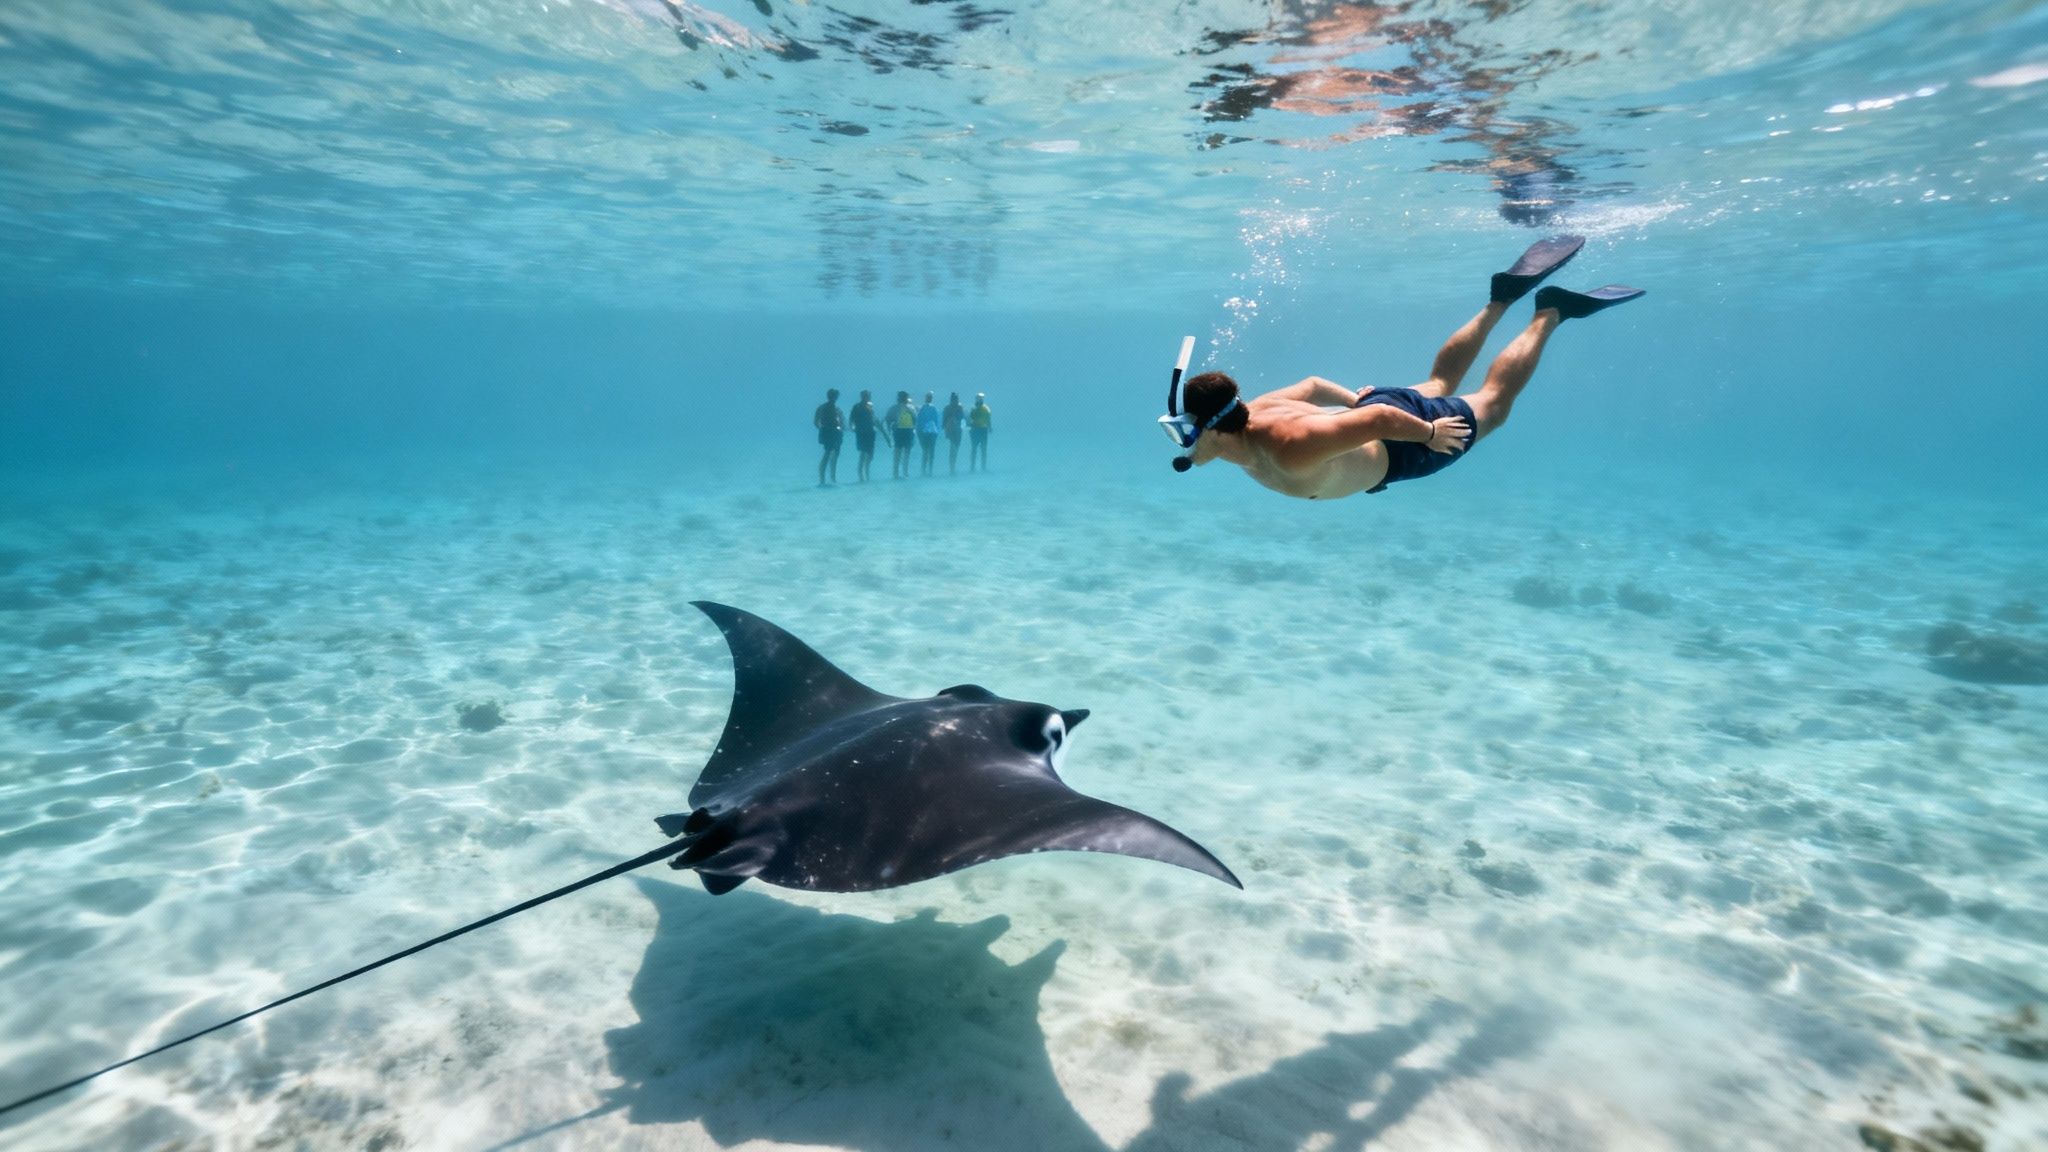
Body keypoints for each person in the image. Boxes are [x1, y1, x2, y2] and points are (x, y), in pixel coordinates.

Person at [1162, 236, 1641, 500]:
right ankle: (1500, 299)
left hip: (1403, 443)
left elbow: (1379, 421)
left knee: (1494, 405)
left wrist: (1430, 435)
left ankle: (1550, 312)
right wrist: (1357, 400)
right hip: (1370, 415)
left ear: (1216, 431)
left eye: (1183, 433)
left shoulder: (1287, 448)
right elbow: (1311, 385)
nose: (1181, 443)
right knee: (1438, 382)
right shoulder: (1248, 416)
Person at [813, 388, 844, 487]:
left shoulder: (836, 409)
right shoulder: (824, 408)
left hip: (835, 433)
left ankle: (832, 478)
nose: (834, 398)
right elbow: (816, 421)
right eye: (833, 396)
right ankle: (823, 479)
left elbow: (842, 422)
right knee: (827, 455)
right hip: (829, 433)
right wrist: (823, 429)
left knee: (834, 455)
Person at [849, 389, 880, 482]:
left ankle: (866, 474)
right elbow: (851, 419)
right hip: (862, 433)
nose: (868, 397)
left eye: (868, 396)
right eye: (867, 395)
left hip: (869, 433)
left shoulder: (869, 406)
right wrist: (852, 428)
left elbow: (873, 419)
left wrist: (877, 426)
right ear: (863, 396)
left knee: (869, 455)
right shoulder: (857, 407)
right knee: (863, 454)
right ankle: (862, 476)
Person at [885, 390, 916, 479]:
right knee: (905, 453)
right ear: (905, 398)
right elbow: (915, 419)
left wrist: (889, 430)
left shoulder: (894, 408)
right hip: (905, 431)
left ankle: (897, 473)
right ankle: (904, 473)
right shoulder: (909, 408)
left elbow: (888, 419)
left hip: (901, 431)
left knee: (899, 453)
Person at [915, 391, 941, 477]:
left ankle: (929, 470)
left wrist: (937, 431)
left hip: (931, 432)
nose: (929, 398)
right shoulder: (924, 408)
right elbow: (919, 421)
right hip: (926, 432)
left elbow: (936, 421)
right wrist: (919, 432)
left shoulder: (932, 408)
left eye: (930, 397)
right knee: (926, 451)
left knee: (929, 451)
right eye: (928, 397)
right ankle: (925, 470)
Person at [967, 392, 992, 472]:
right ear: (976, 399)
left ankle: (983, 467)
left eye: (981, 398)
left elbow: (988, 419)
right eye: (979, 398)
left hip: (983, 430)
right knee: (974, 449)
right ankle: (972, 467)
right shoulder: (973, 409)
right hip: (975, 430)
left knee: (983, 449)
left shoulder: (986, 408)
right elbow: (969, 419)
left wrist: (989, 427)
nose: (980, 399)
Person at [942, 391, 966, 475]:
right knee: (953, 449)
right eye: (954, 399)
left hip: (957, 431)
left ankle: (952, 468)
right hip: (952, 431)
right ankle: (952, 469)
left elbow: (962, 418)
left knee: (955, 449)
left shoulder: (958, 407)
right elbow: (944, 422)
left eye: (956, 399)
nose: (955, 400)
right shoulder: (951, 408)